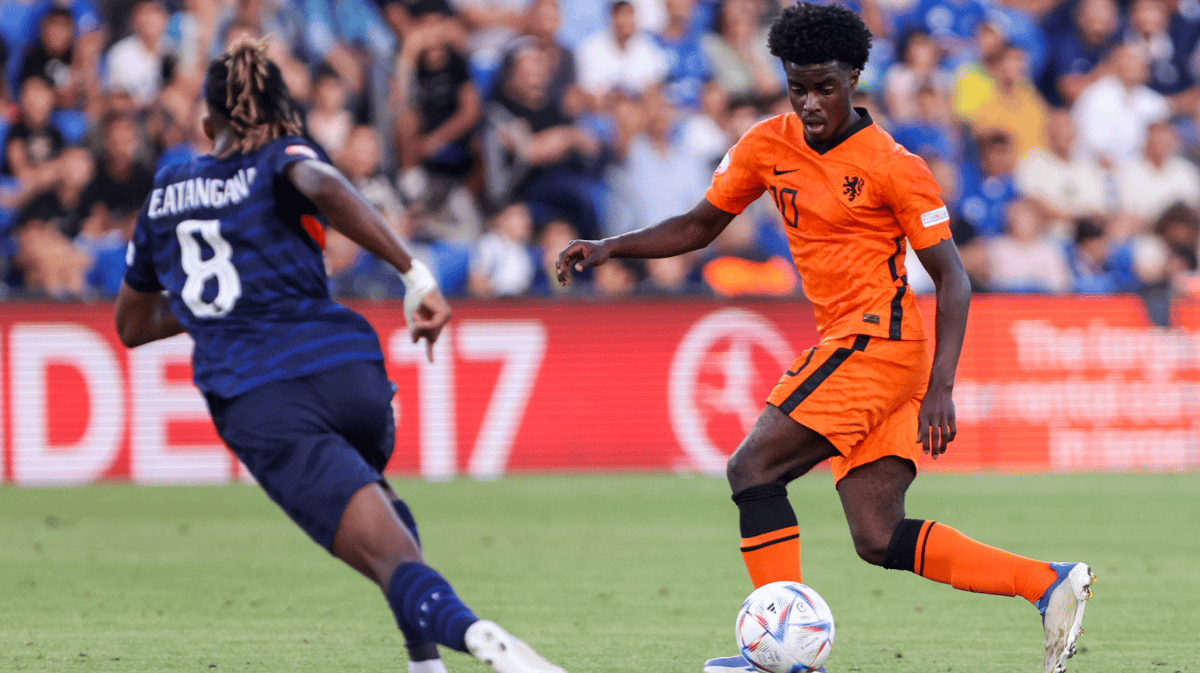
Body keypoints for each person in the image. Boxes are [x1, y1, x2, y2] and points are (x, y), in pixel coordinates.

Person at [555, 5, 1094, 673]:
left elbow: (953, 279)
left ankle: (775, 656)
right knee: (877, 535)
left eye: (825, 87)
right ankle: (1046, 581)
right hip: (855, 344)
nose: (810, 103)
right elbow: (698, 226)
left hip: (881, 345)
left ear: (855, 77)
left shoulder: (896, 166)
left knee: (753, 468)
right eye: (797, 87)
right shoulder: (765, 144)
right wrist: (611, 245)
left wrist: (942, 386)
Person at [114, 39, 567, 673]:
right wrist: (416, 275)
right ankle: (424, 664)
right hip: (350, 376)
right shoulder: (281, 157)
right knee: (382, 518)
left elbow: (132, 325)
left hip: (260, 396)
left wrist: (202, 305)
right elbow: (321, 181)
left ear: (206, 119)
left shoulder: (166, 188)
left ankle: (482, 640)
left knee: (382, 551)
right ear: (280, 109)